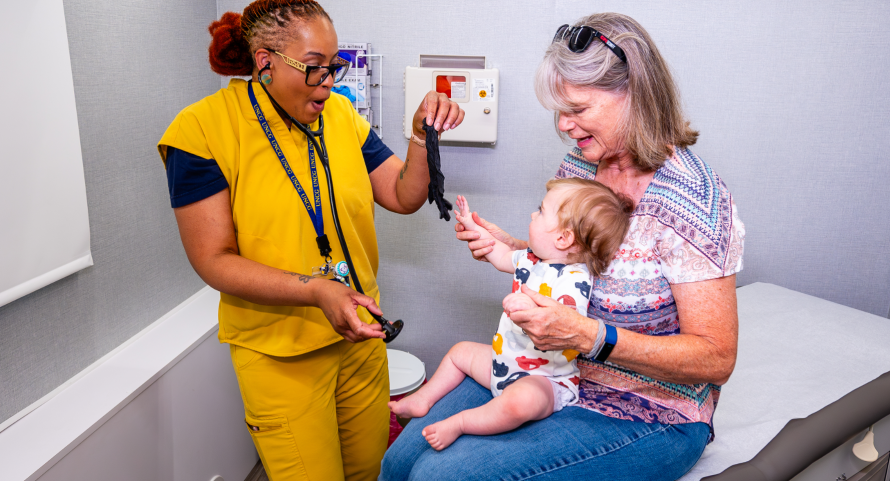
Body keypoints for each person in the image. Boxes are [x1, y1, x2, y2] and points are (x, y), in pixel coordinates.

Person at [381, 12, 745, 481]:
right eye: (558, 111)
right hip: (551, 370)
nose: (564, 126)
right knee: (401, 461)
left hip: (649, 411)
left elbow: (716, 358)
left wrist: (592, 338)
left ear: (634, 93)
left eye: (577, 109)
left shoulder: (693, 198)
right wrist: (509, 248)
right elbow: (569, 262)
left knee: (440, 476)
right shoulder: (581, 163)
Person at [156, 1, 463, 479]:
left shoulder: (339, 114)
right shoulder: (201, 132)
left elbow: (403, 196)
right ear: (265, 62)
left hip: (361, 336)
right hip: (281, 356)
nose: (330, 82)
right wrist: (316, 289)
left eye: (334, 66)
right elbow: (213, 260)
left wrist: (421, 135)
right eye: (315, 68)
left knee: (369, 472)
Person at [389, 181, 633, 450]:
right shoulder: (530, 259)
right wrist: (475, 228)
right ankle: (424, 397)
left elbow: (564, 321)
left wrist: (527, 306)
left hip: (544, 380)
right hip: (503, 364)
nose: (532, 215)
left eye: (540, 211)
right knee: (459, 353)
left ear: (563, 238)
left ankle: (459, 423)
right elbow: (499, 253)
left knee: (520, 403)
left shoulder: (575, 279)